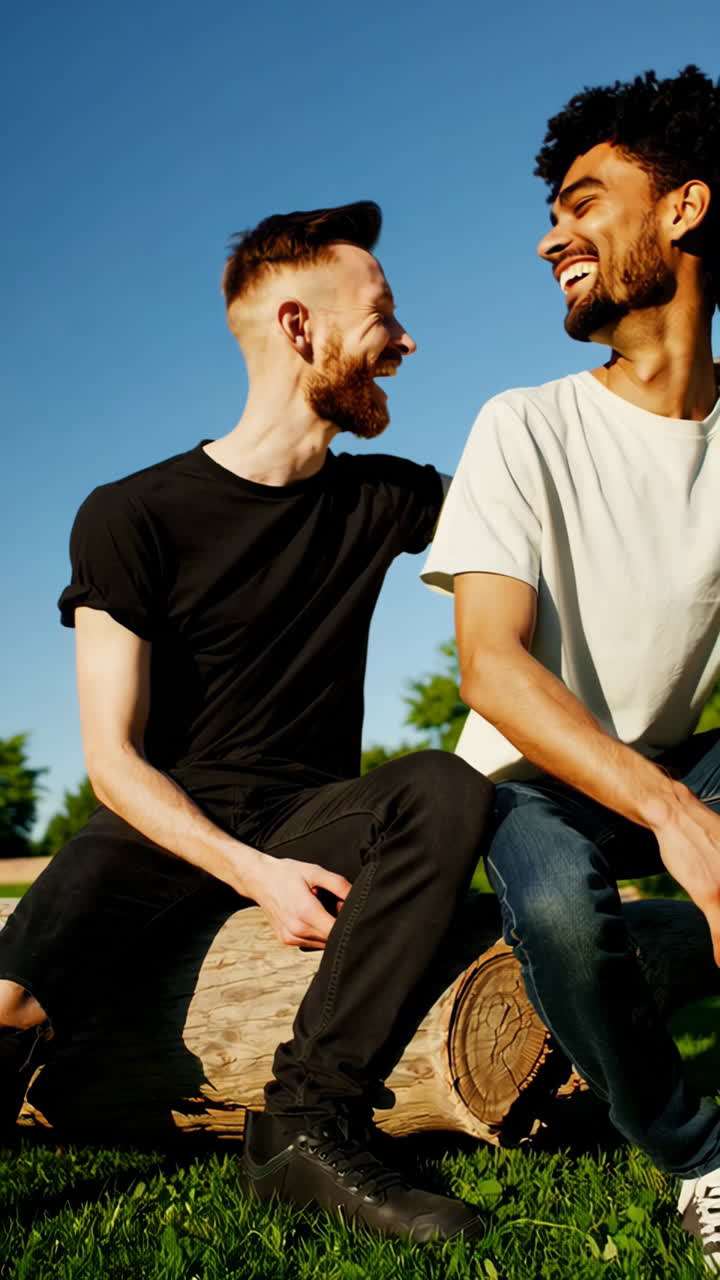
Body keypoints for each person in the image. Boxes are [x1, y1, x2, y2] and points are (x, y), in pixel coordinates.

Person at [0, 201, 493, 1241]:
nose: (406, 342)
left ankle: (307, 1124)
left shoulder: (387, 499)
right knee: (8, 1008)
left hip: (310, 807)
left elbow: (529, 531)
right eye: (382, 315)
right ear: (298, 326)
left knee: (445, 787)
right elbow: (112, 762)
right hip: (161, 822)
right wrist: (254, 875)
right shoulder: (132, 513)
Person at [422, 67, 720, 1270]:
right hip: (528, 776)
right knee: (555, 904)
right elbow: (491, 671)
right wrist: (676, 818)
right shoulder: (523, 423)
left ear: (687, 210)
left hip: (674, 755)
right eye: (554, 208)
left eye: (586, 200)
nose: (554, 235)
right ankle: (702, 1156)